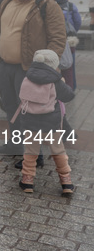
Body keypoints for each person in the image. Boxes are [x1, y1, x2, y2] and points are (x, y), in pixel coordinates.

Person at [0, 0, 66, 155]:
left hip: (30, 68)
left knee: (29, 110)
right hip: (5, 65)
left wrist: (45, 66)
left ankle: (32, 152)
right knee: (10, 106)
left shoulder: (46, 5)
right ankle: (15, 144)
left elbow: (57, 39)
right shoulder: (6, 3)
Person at [17, 50, 75, 194]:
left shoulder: (27, 77)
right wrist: (63, 83)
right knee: (58, 150)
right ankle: (66, 181)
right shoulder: (56, 81)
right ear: (54, 65)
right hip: (51, 123)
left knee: (31, 151)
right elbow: (69, 96)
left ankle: (27, 181)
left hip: (30, 122)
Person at [53, 0, 81, 90]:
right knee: (69, 63)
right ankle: (70, 87)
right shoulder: (70, 5)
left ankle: (55, 88)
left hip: (54, 37)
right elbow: (78, 21)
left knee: (53, 64)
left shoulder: (51, 4)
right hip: (69, 38)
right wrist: (73, 30)